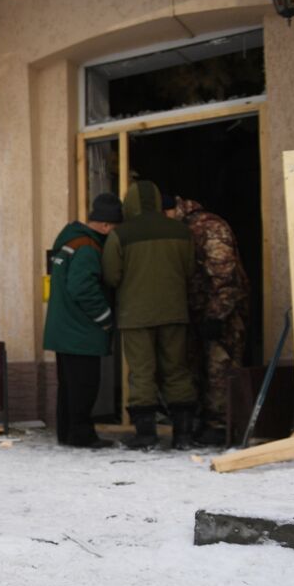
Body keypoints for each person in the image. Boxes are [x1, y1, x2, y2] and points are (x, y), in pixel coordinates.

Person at [101, 180, 197, 450]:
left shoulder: (120, 235)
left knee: (142, 373)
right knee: (177, 370)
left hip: (136, 315)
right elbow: (190, 271)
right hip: (175, 311)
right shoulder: (182, 232)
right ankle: (184, 436)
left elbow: (111, 275)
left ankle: (146, 435)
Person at [43, 192, 122, 448]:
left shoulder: (70, 241)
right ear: (106, 225)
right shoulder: (88, 247)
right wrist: (106, 318)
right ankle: (82, 435)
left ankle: (67, 433)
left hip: (63, 329)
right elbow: (82, 288)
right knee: (84, 386)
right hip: (80, 331)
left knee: (68, 385)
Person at [172, 195, 251, 446]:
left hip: (222, 314)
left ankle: (220, 426)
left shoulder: (210, 226)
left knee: (220, 368)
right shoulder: (184, 227)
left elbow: (224, 274)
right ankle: (204, 422)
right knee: (199, 367)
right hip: (199, 311)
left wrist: (216, 315)